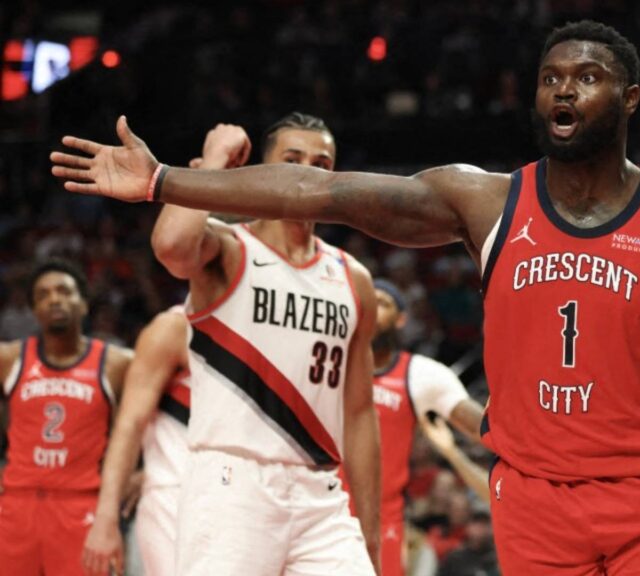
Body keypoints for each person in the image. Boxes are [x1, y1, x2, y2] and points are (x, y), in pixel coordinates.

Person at [51, 19, 640, 574]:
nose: (563, 91)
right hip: (532, 503)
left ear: (628, 98)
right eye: (551, 78)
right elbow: (318, 192)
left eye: (586, 78)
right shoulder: (484, 201)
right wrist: (168, 181)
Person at [96, 118, 381, 575]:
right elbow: (171, 246)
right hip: (232, 486)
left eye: (321, 164)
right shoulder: (228, 249)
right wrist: (212, 166)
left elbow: (362, 412)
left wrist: (369, 527)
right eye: (291, 161)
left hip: (321, 493)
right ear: (263, 171)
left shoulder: (354, 279)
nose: (306, 172)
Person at [0, 259, 133, 575]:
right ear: (34, 310)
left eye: (63, 291)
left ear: (84, 303)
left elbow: (149, 422)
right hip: (17, 504)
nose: (54, 299)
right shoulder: (10, 359)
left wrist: (145, 471)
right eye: (43, 295)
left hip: (83, 505)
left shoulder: (117, 363)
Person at [371, 278, 488, 576]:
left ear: (401, 320)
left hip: (383, 518)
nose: (371, 309)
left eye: (382, 303)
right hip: (318, 505)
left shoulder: (422, 374)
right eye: (365, 301)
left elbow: (485, 428)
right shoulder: (326, 360)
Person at [80, 306, 191, 576]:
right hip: (173, 501)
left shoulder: (266, 330)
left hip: (252, 499)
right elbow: (129, 424)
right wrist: (107, 518)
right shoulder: (173, 327)